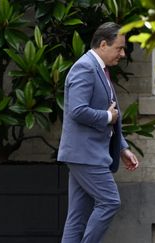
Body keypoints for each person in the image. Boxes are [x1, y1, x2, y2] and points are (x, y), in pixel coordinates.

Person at [57, 22, 139, 243]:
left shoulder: (100, 69)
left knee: (77, 216)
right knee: (110, 201)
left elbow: (112, 112)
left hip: (85, 154)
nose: (122, 53)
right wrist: (106, 117)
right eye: (119, 48)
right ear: (103, 44)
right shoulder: (84, 67)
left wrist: (122, 148)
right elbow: (77, 110)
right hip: (86, 154)